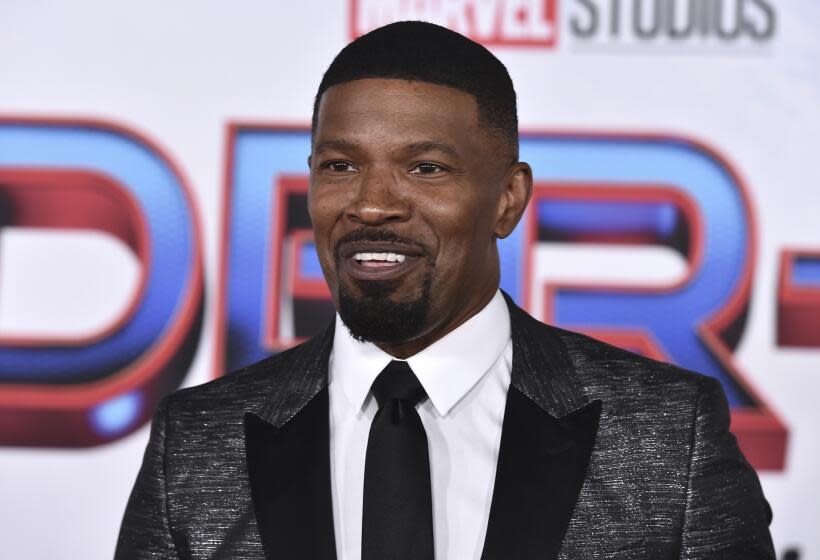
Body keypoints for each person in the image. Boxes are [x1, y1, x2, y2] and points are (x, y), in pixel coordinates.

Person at [115, 21, 774, 560]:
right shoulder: (197, 442)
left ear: (508, 200)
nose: (372, 205)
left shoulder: (668, 436)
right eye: (340, 166)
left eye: (425, 168)